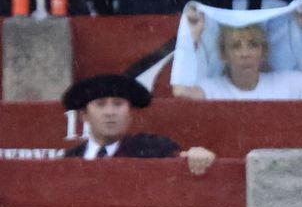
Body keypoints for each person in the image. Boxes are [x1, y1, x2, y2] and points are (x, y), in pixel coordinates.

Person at [172, 5, 302, 100]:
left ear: (263, 51)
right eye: (235, 46)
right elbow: (180, 92)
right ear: (224, 55)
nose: (245, 53)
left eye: (253, 45)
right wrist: (192, 35)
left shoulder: (287, 83)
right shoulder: (211, 88)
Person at [60, 74, 216, 175]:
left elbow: (184, 160)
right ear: (84, 116)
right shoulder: (69, 160)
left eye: (118, 104)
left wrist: (198, 155)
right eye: (100, 104)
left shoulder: (154, 150)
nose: (110, 112)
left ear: (130, 115)